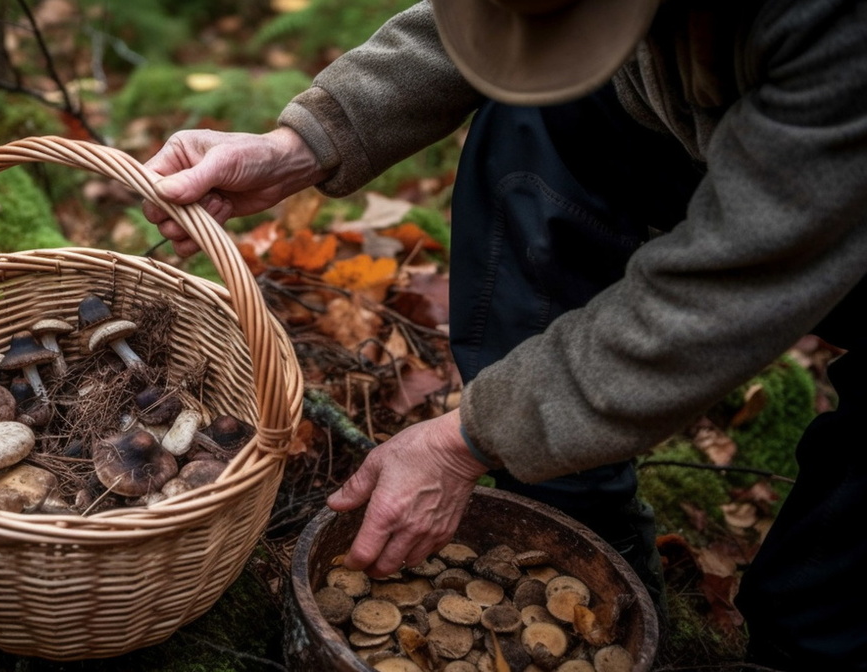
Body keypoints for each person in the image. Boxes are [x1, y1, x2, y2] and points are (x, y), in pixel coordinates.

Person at [140, 0, 867, 668]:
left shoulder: (834, 29)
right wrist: (303, 143)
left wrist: (467, 441)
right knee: (534, 117)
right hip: (729, 131)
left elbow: (723, 296)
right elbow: (493, 24)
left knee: (816, 616)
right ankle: (574, 508)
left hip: (826, 190)